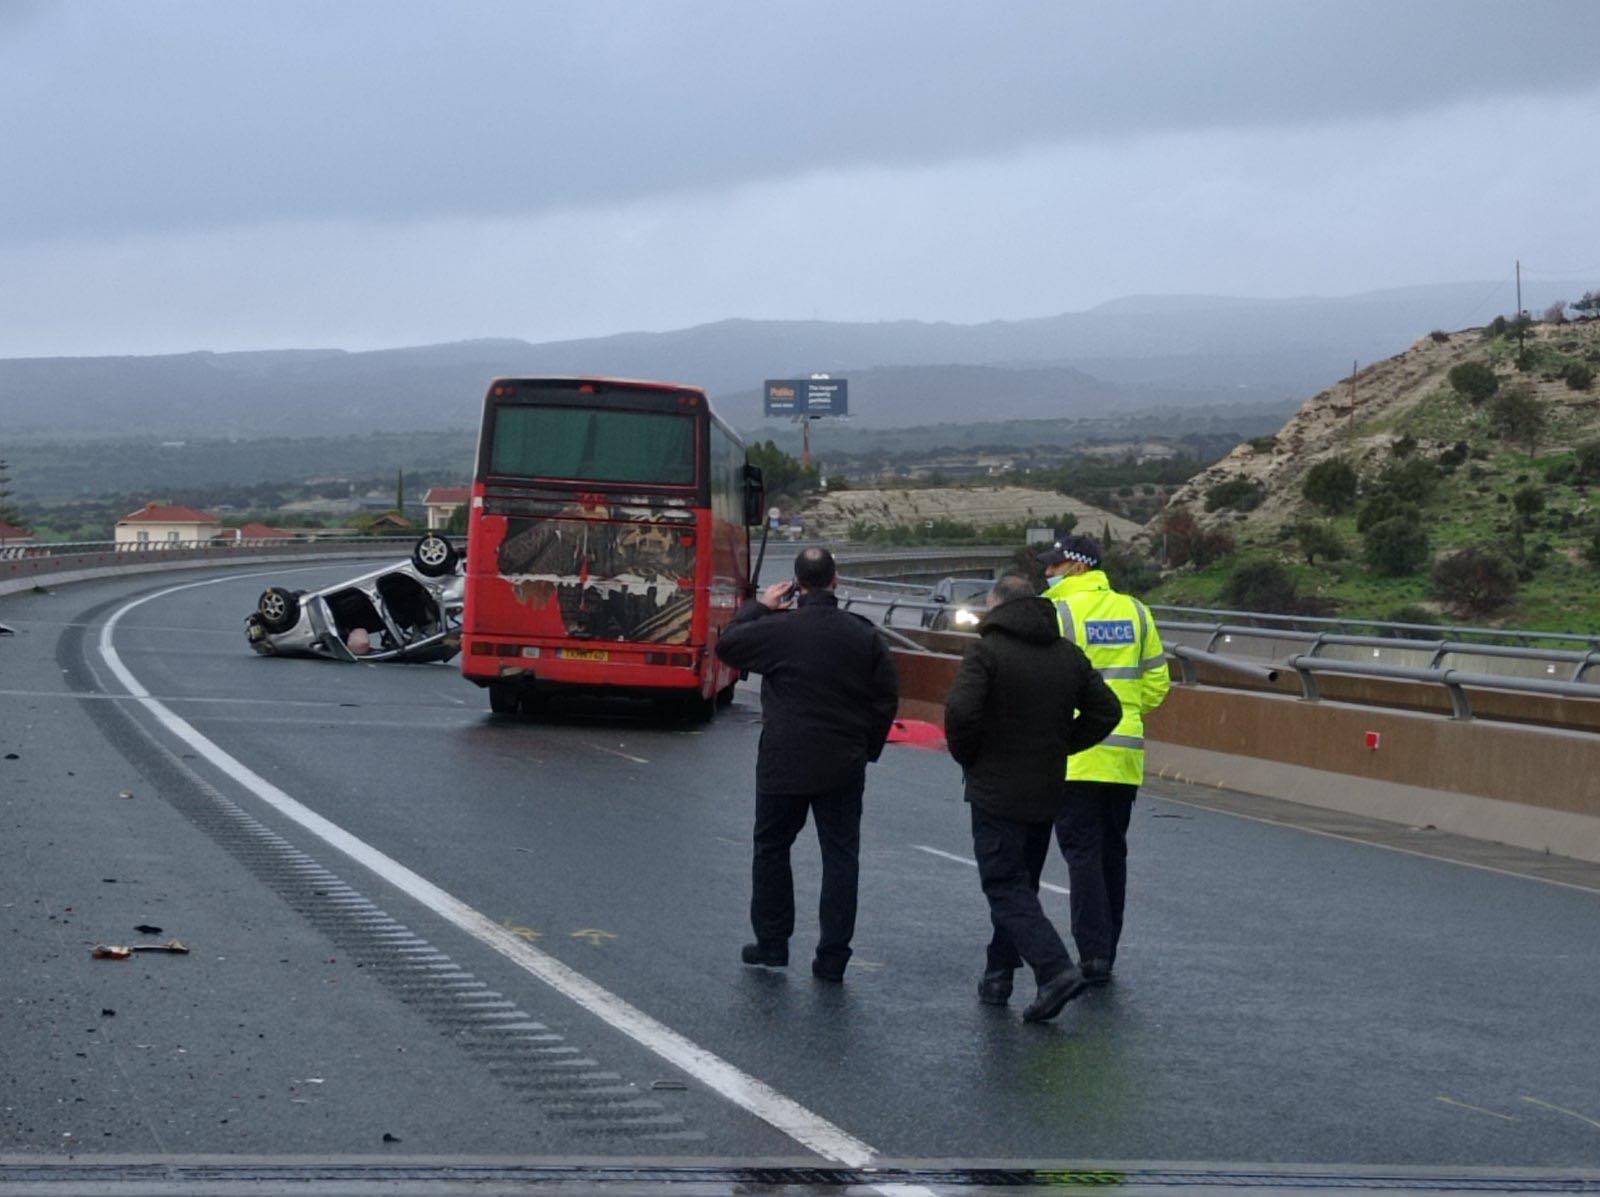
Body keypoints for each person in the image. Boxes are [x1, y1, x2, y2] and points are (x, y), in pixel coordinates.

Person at [714, 546, 900, 982]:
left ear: (797, 584)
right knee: (840, 857)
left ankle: (773, 943)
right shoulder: (863, 634)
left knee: (772, 850)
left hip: (784, 761)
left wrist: (758, 606)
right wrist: (866, 748)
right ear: (835, 581)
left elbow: (728, 646)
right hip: (842, 762)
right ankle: (833, 956)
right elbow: (885, 697)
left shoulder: (778, 628)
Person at [944, 573, 1121, 1022]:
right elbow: (1108, 709)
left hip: (995, 789)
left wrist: (971, 757)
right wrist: (1065, 744)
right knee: (1021, 885)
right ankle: (998, 973)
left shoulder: (986, 652)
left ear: (997, 604)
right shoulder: (1066, 655)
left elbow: (961, 712)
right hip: (1046, 788)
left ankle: (1054, 969)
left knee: (1004, 885)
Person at [1039, 533, 1170, 984]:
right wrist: (1127, 711)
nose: (1047, 573)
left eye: (1054, 566)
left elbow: (1045, 682)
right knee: (1113, 854)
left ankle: (1093, 955)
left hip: (1076, 754)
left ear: (1077, 567)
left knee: (1082, 856)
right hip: (1124, 757)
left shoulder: (1057, 612)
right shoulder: (1136, 611)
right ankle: (1108, 950)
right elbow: (1157, 685)